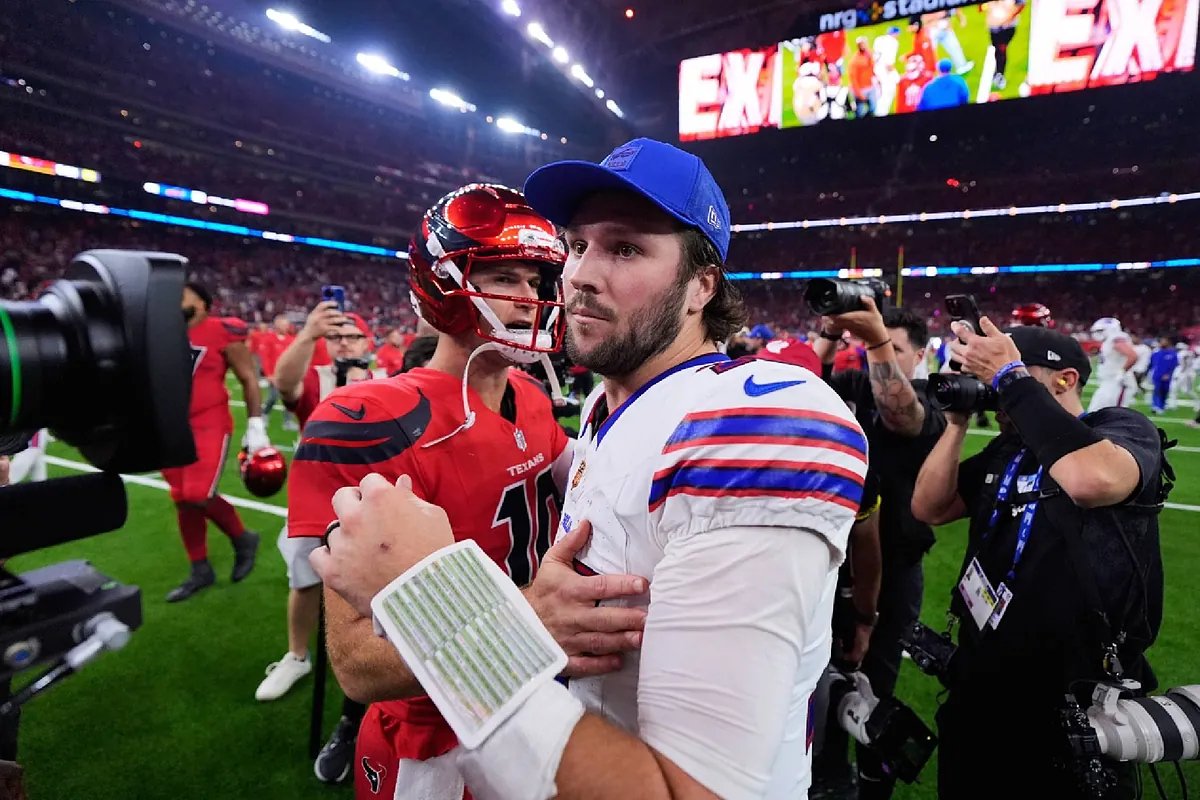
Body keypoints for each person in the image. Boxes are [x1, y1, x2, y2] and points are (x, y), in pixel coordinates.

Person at [319, 137, 868, 799]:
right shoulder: (611, 407)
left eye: (625, 248)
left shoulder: (750, 421)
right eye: (577, 245)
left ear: (701, 286)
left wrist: (439, 600)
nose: (577, 273)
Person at [286, 183, 646, 798]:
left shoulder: (529, 398)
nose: (531, 298)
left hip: (539, 702)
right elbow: (355, 664)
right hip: (434, 742)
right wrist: (531, 621)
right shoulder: (371, 420)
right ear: (444, 285)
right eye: (506, 277)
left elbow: (600, 485)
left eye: (536, 281)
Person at [911, 321, 1168, 799]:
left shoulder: (1119, 429)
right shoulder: (1006, 449)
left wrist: (1010, 379)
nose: (993, 385)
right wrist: (956, 423)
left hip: (1073, 701)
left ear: (1064, 380)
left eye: (1006, 369)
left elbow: (1091, 481)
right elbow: (930, 506)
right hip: (981, 686)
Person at [811, 302, 946, 800]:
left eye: (893, 349)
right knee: (816, 675)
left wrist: (873, 343)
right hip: (831, 560)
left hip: (895, 568)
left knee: (877, 683)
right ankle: (825, 774)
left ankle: (874, 782)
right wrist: (828, 330)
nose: (876, 358)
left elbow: (901, 415)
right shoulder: (852, 386)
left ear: (918, 354)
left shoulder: (930, 401)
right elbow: (802, 375)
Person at [254, 301, 377, 779]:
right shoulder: (315, 378)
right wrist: (306, 336)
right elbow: (283, 385)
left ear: (369, 342)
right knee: (303, 582)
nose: (344, 342)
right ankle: (297, 656)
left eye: (353, 335)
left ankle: (355, 712)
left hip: (373, 507)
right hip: (315, 503)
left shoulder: (392, 378)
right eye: (337, 336)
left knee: (370, 608)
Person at [161, 282, 266, 603]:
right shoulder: (160, 331)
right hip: (169, 424)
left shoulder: (222, 330)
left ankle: (242, 537)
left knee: (197, 494)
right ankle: (200, 568)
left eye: (183, 294)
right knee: (181, 498)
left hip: (209, 421)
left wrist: (255, 423)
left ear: (203, 303)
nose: (175, 298)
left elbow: (248, 377)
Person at [1087, 317, 1138, 411]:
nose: (1097, 333)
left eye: (1100, 330)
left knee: (1113, 416)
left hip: (1117, 382)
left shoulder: (1116, 338)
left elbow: (1132, 356)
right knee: (1095, 413)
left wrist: (1121, 372)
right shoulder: (1108, 341)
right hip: (1109, 382)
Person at [983, 0, 1026, 90]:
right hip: (994, 26)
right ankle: (998, 71)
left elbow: (1021, 5)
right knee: (997, 49)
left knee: (1002, 49)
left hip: (1007, 27)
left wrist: (1010, 18)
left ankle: (1000, 74)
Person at [1148, 336, 1178, 414]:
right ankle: (1155, 406)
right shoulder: (1156, 353)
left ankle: (1162, 406)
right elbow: (1151, 364)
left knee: (1164, 391)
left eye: (1164, 341)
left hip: (1167, 376)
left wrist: (1168, 374)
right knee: (1156, 390)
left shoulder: (1172, 354)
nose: (1162, 342)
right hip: (1157, 375)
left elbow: (1174, 365)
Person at [848, 37, 877, 118]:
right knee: (859, 113)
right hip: (861, 89)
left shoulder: (869, 54)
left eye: (864, 43)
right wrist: (858, 93)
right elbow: (853, 78)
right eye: (861, 44)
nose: (863, 45)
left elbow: (872, 68)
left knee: (873, 108)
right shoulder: (855, 60)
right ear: (858, 46)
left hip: (871, 87)